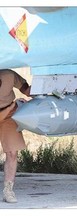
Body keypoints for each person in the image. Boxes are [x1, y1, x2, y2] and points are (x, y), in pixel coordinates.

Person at [0, 69, 31, 203]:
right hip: (6, 110)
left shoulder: (8, 75)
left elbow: (27, 90)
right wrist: (14, 104)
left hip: (8, 114)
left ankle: (8, 190)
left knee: (12, 152)